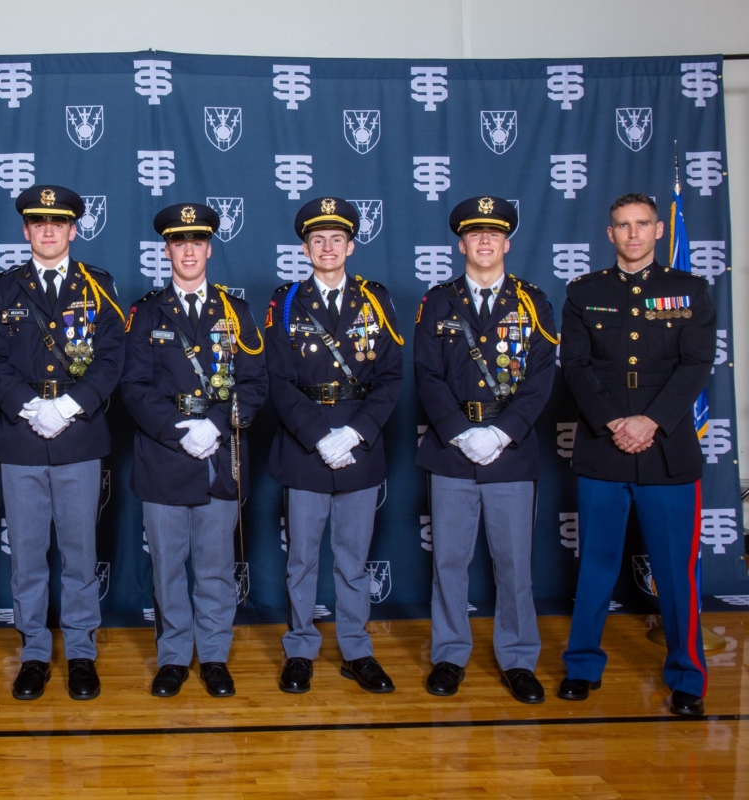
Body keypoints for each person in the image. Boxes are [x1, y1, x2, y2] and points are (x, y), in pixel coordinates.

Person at [558, 193, 715, 717]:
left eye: (642, 224)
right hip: (603, 449)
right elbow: (576, 367)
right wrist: (612, 423)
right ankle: (581, 667)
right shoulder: (585, 291)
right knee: (596, 566)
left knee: (676, 571)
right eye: (622, 225)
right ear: (610, 234)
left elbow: (695, 365)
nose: (632, 234)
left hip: (667, 450)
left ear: (659, 229)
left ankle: (688, 678)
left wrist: (650, 421)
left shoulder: (689, 289)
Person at [0, 185, 125, 701]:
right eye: (38, 223)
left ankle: (81, 652)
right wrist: (27, 405)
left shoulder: (98, 286)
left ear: (73, 230)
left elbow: (111, 359)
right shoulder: (1, 290)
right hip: (19, 435)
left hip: (78, 435)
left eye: (57, 223)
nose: (47, 230)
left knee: (81, 554)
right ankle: (35, 652)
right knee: (28, 556)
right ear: (25, 230)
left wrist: (68, 405)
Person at [413, 196, 558, 704]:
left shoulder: (533, 301)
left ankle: (518, 659)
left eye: (493, 234)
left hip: (510, 449)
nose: (485, 242)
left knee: (514, 564)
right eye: (476, 234)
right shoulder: (437, 301)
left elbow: (542, 379)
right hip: (452, 449)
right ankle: (450, 655)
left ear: (506, 243)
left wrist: (501, 432)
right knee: (449, 561)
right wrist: (459, 430)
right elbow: (427, 376)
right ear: (462, 244)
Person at [121, 203, 268, 698]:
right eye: (178, 242)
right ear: (167, 250)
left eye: (196, 242)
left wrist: (218, 426)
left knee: (214, 567)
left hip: (219, 458)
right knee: (167, 567)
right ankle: (173, 657)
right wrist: (178, 429)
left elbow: (255, 383)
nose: (188, 250)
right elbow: (133, 385)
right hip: (165, 455)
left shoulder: (236, 311)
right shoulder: (145, 312)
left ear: (208, 248)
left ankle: (215, 657)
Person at [264, 197, 404, 695]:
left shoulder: (377, 300)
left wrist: (356, 432)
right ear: (305, 248)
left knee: (353, 558)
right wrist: (319, 436)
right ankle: (300, 647)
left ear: (350, 245)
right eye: (318, 239)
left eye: (337, 239)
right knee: (301, 557)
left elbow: (390, 377)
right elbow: (277, 379)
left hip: (359, 442)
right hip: (306, 444)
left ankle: (356, 649)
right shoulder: (284, 303)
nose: (328, 247)